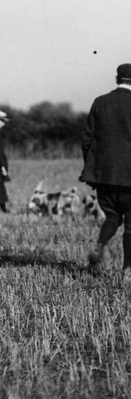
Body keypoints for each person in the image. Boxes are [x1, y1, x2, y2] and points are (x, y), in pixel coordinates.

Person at [81, 63, 131, 280]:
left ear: (116, 79)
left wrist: (93, 169)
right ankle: (128, 270)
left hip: (104, 174)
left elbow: (87, 140)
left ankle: (100, 246)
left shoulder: (100, 102)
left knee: (112, 216)